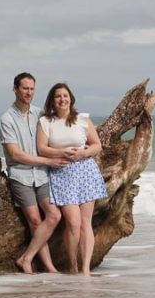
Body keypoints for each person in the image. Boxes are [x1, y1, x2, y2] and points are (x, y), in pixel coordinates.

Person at [0, 72, 68, 274]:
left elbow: (63, 122)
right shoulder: (6, 119)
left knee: (54, 215)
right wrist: (48, 160)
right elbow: (15, 154)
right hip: (21, 176)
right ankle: (46, 266)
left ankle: (26, 258)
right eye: (25, 88)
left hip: (42, 175)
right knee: (35, 221)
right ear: (15, 89)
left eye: (31, 89)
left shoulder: (40, 115)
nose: (29, 92)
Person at [37, 82, 107, 276]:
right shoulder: (46, 122)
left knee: (86, 222)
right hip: (62, 174)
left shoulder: (83, 119)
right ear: (52, 100)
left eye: (65, 96)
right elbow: (42, 148)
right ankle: (72, 265)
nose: (62, 99)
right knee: (73, 222)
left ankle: (85, 269)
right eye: (58, 96)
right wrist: (62, 152)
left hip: (86, 172)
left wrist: (81, 154)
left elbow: (97, 145)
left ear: (71, 98)